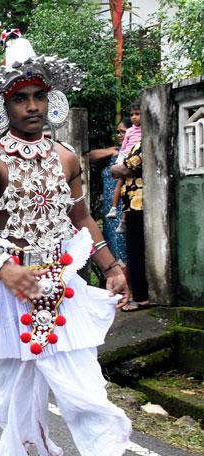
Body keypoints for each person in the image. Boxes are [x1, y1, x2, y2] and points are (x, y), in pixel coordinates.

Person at [0, 31, 163, 456]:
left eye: (39, 97)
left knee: (84, 385)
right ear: (3, 107)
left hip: (61, 284)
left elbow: (82, 219)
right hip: (6, 287)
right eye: (20, 98)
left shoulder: (67, 157)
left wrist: (112, 266)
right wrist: (6, 269)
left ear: (50, 101)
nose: (32, 106)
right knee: (14, 387)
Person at [111, 137, 151, 311]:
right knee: (136, 249)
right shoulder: (140, 141)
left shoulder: (146, 142)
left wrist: (115, 168)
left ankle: (141, 297)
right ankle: (140, 294)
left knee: (135, 249)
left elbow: (125, 169)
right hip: (134, 205)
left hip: (138, 204)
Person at [88, 118, 130, 264]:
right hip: (109, 208)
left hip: (122, 207)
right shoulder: (114, 152)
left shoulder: (130, 153)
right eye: (118, 132)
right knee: (111, 247)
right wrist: (112, 151)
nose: (119, 135)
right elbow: (90, 156)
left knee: (122, 250)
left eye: (123, 132)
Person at [107, 102, 142, 234]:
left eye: (137, 114)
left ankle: (123, 219)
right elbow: (125, 146)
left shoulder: (145, 131)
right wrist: (120, 158)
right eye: (132, 114)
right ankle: (114, 208)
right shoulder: (131, 131)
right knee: (121, 184)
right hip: (126, 157)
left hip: (133, 161)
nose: (134, 117)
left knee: (127, 190)